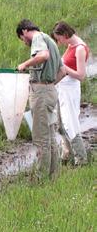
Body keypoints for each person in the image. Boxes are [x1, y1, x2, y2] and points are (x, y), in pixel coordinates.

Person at [16, 19, 66, 180]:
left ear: (24, 31)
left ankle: (40, 177)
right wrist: (49, 85)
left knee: (41, 137)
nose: (24, 42)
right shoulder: (50, 40)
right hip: (51, 91)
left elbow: (43, 55)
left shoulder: (37, 38)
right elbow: (63, 71)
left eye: (22, 39)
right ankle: (54, 174)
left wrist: (25, 64)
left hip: (41, 94)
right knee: (50, 136)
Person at [52, 21, 89, 166]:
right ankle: (66, 154)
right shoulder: (70, 45)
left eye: (59, 38)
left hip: (71, 89)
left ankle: (81, 159)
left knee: (70, 123)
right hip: (62, 88)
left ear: (66, 35)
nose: (58, 41)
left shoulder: (80, 49)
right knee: (60, 123)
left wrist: (64, 68)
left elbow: (81, 75)